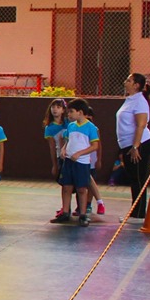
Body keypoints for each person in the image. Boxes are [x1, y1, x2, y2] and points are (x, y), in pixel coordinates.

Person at [51, 98, 100, 227]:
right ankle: (65, 212)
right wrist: (63, 149)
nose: (69, 115)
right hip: (68, 161)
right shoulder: (71, 126)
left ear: (80, 112)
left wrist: (79, 154)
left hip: (81, 163)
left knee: (81, 189)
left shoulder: (91, 127)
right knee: (66, 186)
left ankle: (83, 214)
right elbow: (67, 140)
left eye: (71, 112)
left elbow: (95, 146)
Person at [116, 73, 150, 218]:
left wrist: (135, 146)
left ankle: (138, 214)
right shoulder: (130, 100)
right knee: (133, 178)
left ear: (136, 85)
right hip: (127, 145)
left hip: (140, 145)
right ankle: (135, 211)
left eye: (129, 80)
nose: (125, 82)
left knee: (138, 179)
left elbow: (141, 124)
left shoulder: (140, 101)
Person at [43, 97, 69, 217]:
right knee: (64, 184)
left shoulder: (69, 123)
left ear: (64, 110)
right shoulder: (49, 128)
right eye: (53, 107)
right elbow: (52, 148)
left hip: (74, 156)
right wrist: (54, 164)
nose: (55, 110)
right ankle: (65, 207)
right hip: (61, 157)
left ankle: (83, 207)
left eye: (58, 107)